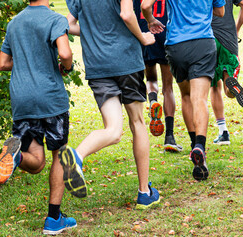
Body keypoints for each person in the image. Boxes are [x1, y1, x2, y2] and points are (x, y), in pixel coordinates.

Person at [61, 0, 160, 209]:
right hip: (126, 62)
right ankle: (144, 192)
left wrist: (91, 31)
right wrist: (142, 37)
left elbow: (67, 25)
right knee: (138, 122)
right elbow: (126, 14)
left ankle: (77, 157)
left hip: (98, 65)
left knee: (113, 130)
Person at [0, 0, 76, 235]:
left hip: (21, 99)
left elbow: (2, 63)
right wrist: (66, 67)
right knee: (59, 153)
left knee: (37, 163)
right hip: (50, 98)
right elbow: (65, 53)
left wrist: (27, 64)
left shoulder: (14, 23)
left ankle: (16, 155)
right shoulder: (55, 19)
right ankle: (53, 218)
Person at [142, 0, 225, 181]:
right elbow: (220, 12)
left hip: (177, 45)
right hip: (203, 43)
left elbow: (145, 6)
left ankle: (194, 144)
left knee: (186, 96)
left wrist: (151, 20)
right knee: (200, 99)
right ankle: (200, 147)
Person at [133, 0, 182, 152]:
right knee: (168, 88)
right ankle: (169, 137)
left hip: (144, 32)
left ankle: (153, 101)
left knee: (151, 78)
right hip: (164, 31)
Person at [210, 0, 243, 145]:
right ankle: (232, 88)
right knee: (227, 86)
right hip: (229, 37)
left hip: (208, 38)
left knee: (214, 86)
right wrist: (236, 28)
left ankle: (223, 132)